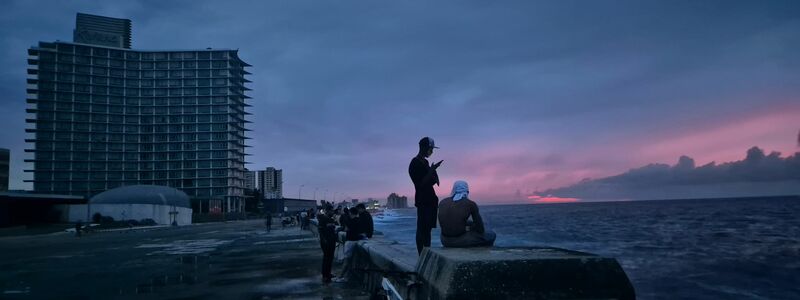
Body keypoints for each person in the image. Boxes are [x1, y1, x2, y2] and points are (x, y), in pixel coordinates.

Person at [409, 136, 443, 254]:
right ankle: (421, 255)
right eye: (430, 149)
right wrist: (431, 170)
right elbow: (420, 184)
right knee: (422, 228)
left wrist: (434, 170)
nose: (431, 152)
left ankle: (427, 253)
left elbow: (432, 181)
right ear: (423, 148)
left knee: (428, 229)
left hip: (431, 200)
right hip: (423, 200)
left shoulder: (425, 162)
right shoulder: (415, 163)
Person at [438, 180, 496, 248]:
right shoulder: (470, 204)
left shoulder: (442, 202)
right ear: (467, 191)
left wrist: (468, 224)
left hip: (444, 240)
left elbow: (450, 221)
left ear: (453, 189)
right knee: (491, 235)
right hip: (460, 241)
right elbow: (480, 229)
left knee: (469, 224)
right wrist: (472, 227)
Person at [317, 205, 338, 283]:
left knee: (330, 258)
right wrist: (324, 240)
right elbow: (320, 230)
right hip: (326, 241)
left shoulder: (330, 219)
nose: (333, 212)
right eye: (332, 211)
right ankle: (325, 275)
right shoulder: (323, 219)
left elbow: (333, 229)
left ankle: (328, 273)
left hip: (332, 241)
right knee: (326, 258)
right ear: (328, 211)